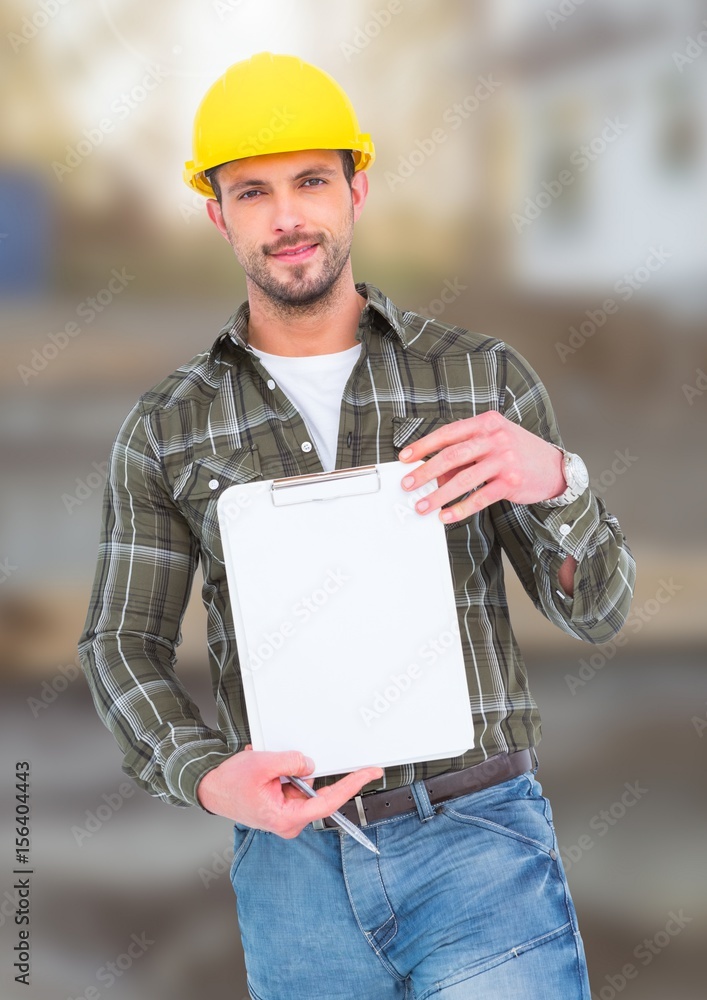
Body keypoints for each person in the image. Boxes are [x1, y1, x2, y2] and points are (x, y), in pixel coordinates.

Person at [79, 52, 635, 999]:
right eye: (253, 192)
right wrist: (208, 777)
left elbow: (599, 613)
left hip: (478, 845)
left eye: (310, 182)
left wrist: (556, 479)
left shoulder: (478, 378)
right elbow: (121, 644)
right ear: (218, 214)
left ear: (356, 188)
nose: (287, 216)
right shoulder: (167, 426)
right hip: (295, 870)